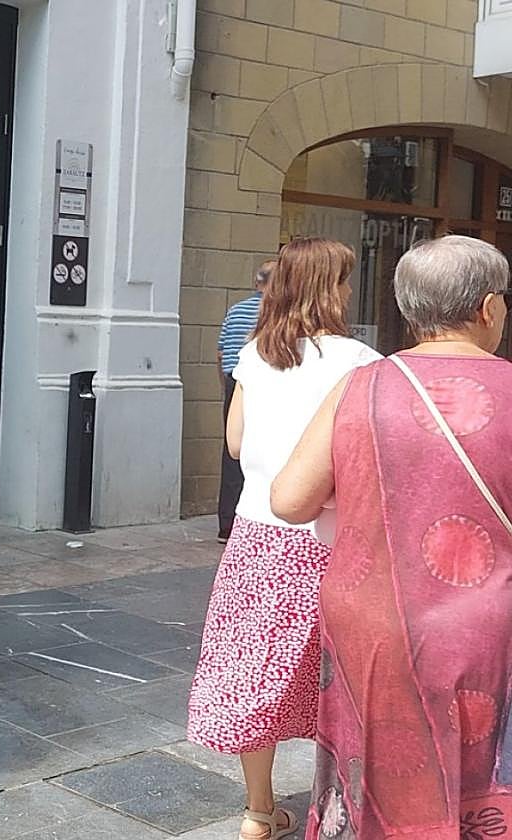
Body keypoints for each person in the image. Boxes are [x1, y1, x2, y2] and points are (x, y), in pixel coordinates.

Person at [272, 236, 512, 839]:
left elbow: (289, 500)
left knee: (380, 775)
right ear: (488, 308)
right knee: (486, 778)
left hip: (374, 630)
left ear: (411, 311)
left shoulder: (361, 386)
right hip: (489, 630)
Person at [185, 238, 381, 840]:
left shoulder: (253, 356)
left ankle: (257, 810)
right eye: (344, 280)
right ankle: (346, 803)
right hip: (331, 538)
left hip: (256, 537)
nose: (349, 290)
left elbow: (237, 444)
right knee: (342, 677)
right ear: (329, 288)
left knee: (254, 668)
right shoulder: (361, 361)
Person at [216, 260, 274, 543]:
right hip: (261, 383)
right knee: (259, 447)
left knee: (231, 451)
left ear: (256, 282)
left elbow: (220, 351)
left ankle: (225, 523)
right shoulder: (274, 312)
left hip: (232, 380)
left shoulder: (235, 309)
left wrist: (226, 385)